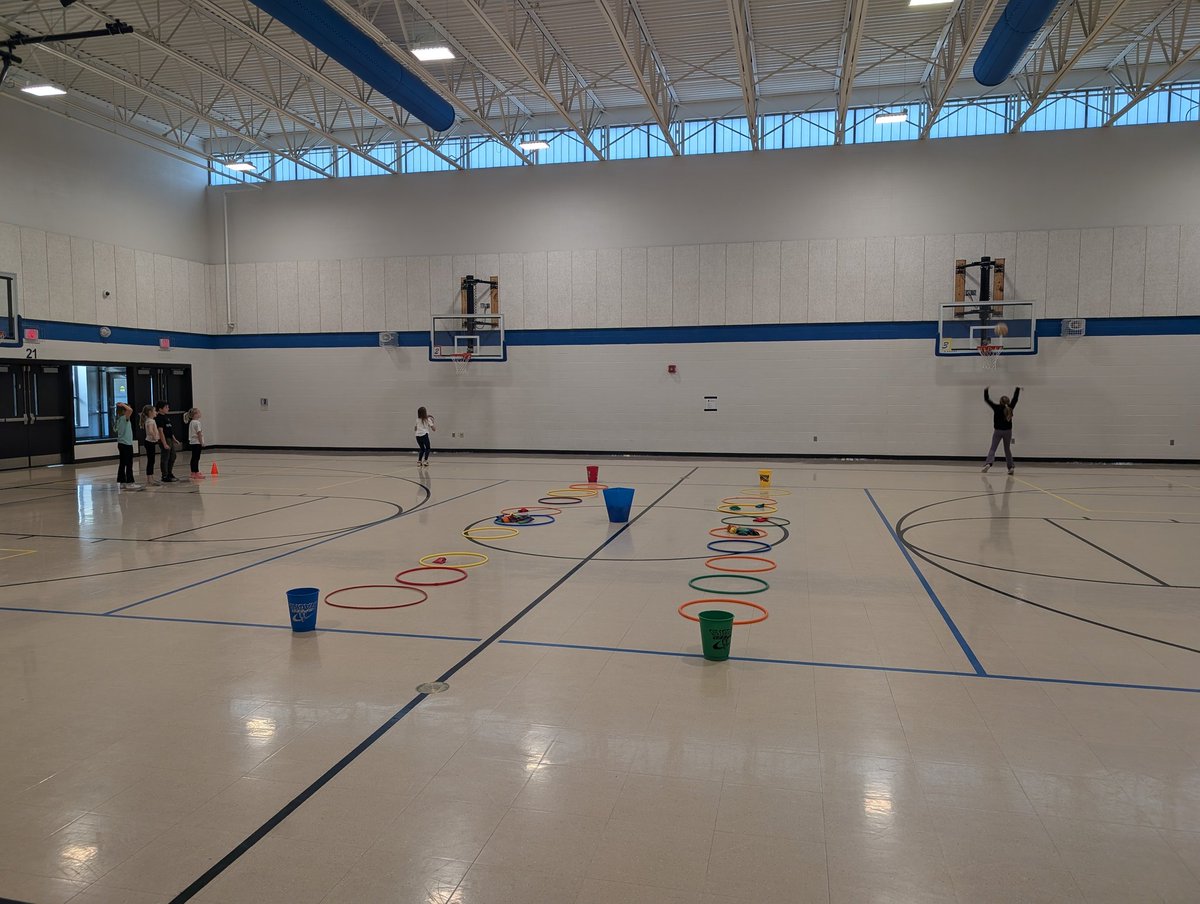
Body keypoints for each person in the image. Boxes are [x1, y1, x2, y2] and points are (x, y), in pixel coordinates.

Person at [982, 386, 1021, 475]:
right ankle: (1010, 467)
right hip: (1008, 432)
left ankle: (988, 463)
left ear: (1000, 402)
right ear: (1008, 402)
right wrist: (1017, 388)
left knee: (993, 448)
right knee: (1007, 449)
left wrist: (986, 389)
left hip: (997, 431)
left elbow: (987, 399)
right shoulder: (1011, 407)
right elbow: (1015, 398)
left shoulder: (996, 407)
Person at [114, 403, 141, 490]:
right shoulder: (123, 418)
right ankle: (130, 482)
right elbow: (130, 410)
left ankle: (122, 482)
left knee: (123, 464)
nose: (129, 409)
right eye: (127, 408)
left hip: (122, 444)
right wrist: (122, 404)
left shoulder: (119, 419)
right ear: (123, 411)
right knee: (129, 464)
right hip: (126, 444)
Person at [155, 401, 179, 483]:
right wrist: (164, 443)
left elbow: (170, 430)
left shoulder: (166, 417)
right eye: (166, 407)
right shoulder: (158, 418)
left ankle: (169, 473)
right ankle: (164, 475)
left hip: (170, 439)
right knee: (165, 457)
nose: (168, 408)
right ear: (160, 409)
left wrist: (174, 438)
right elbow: (160, 431)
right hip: (165, 439)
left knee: (173, 456)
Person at [139, 405, 160, 487]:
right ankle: (149, 479)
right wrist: (155, 437)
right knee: (151, 461)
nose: (156, 412)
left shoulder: (150, 420)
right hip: (149, 442)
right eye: (154, 411)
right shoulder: (150, 421)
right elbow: (150, 430)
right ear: (150, 412)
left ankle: (151, 478)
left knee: (151, 461)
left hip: (150, 442)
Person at [185, 407, 205, 479]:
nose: (200, 413)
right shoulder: (197, 423)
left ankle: (193, 472)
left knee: (193, 457)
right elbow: (199, 433)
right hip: (197, 442)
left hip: (192, 442)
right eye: (199, 412)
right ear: (195, 414)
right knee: (196, 458)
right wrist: (201, 442)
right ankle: (196, 472)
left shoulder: (191, 422)